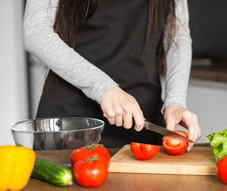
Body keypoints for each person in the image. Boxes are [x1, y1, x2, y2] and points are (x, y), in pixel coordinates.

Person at [23, 0, 201, 150]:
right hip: (71, 124)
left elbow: (178, 36)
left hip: (142, 123)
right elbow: (35, 31)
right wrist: (104, 89)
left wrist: (176, 102)